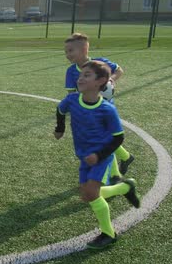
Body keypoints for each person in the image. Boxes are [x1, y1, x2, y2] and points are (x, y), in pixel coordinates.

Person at [54, 60, 141, 249]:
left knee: (91, 194)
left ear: (101, 81)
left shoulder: (107, 110)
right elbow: (60, 111)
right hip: (84, 157)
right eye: (81, 75)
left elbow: (118, 138)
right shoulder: (72, 100)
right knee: (88, 195)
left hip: (102, 157)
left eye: (87, 75)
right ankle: (125, 188)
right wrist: (59, 129)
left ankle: (108, 233)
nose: (80, 78)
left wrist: (99, 155)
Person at [64, 33, 134, 182]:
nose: (67, 55)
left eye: (71, 51)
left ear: (84, 50)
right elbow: (71, 94)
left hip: (104, 110)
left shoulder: (100, 64)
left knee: (105, 141)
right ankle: (124, 160)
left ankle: (115, 174)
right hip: (86, 113)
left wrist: (111, 79)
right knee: (103, 141)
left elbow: (119, 70)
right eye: (66, 51)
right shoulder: (71, 72)